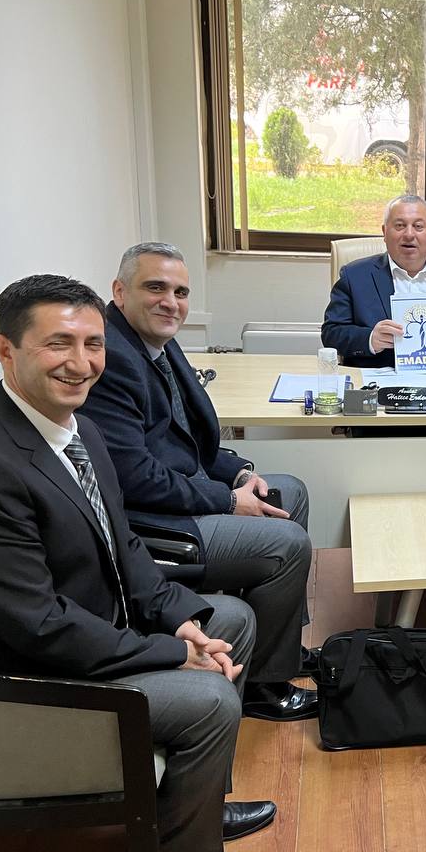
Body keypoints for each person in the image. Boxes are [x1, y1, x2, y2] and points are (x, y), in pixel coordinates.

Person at [0, 275, 272, 852]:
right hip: (15, 681)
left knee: (229, 620)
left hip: (79, 626)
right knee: (209, 698)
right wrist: (170, 652)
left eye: (93, 344)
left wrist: (179, 619)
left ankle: (194, 805)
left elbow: (122, 544)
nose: (81, 364)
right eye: (58, 344)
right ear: (5, 350)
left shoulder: (78, 430)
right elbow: (40, 627)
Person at [80, 243, 317, 723]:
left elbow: (189, 436)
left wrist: (240, 473)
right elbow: (134, 478)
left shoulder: (155, 341)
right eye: (156, 288)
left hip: (181, 486)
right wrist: (227, 500)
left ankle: (280, 648)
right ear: (120, 292)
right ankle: (264, 685)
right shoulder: (113, 358)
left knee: (287, 490)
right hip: (152, 521)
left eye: (181, 292)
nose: (171, 302)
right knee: (286, 544)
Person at [321, 194, 426, 370]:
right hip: (380, 378)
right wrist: (370, 338)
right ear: (384, 232)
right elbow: (331, 333)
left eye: (418, 226)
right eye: (400, 226)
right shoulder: (355, 275)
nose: (409, 234)